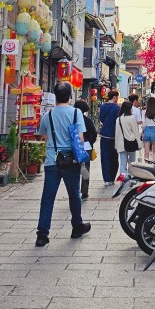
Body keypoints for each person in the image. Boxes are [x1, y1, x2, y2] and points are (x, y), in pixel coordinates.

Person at [36, 81, 91, 247]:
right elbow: (80, 139)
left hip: (52, 160)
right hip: (70, 160)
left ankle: (42, 234)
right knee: (74, 194)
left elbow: (44, 136)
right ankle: (76, 226)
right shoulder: (76, 113)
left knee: (48, 197)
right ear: (69, 95)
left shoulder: (48, 115)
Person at [74, 99, 98, 200]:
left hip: (75, 147)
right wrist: (90, 142)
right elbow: (94, 133)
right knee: (85, 169)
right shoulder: (87, 121)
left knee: (74, 169)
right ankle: (84, 191)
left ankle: (74, 191)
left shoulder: (72, 120)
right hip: (86, 147)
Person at [97, 89, 120, 186]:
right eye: (117, 97)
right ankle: (112, 177)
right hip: (114, 135)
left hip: (104, 135)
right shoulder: (117, 108)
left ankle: (106, 179)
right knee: (114, 157)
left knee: (105, 157)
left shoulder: (102, 106)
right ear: (114, 97)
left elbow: (101, 119)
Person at [114, 99, 141, 180]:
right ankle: (130, 177)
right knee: (131, 162)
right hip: (131, 142)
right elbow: (136, 132)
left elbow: (117, 133)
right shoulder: (132, 118)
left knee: (122, 163)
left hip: (121, 144)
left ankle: (122, 179)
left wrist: (116, 144)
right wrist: (139, 144)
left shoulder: (118, 119)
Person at [142, 97, 155, 162]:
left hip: (146, 131)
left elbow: (143, 125)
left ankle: (146, 166)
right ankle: (154, 165)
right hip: (154, 131)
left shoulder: (144, 112)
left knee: (146, 151)